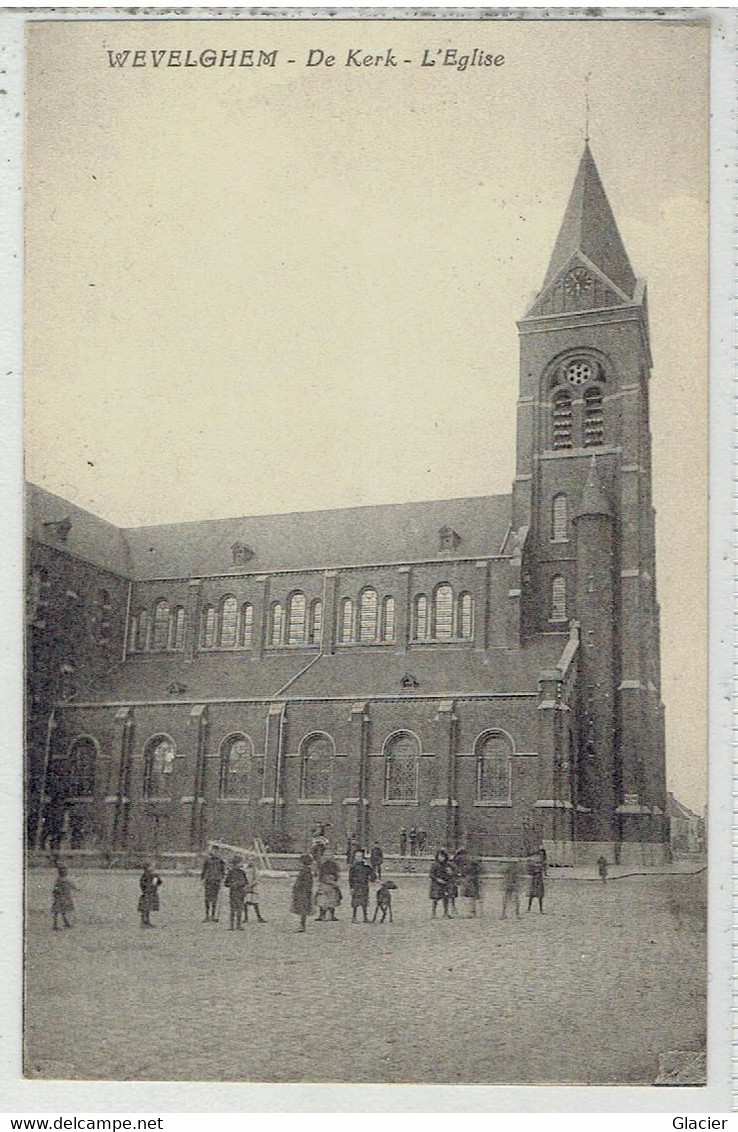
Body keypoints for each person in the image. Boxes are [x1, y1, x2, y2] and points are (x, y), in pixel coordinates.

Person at [348, 848, 376, 923]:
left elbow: (373, 877)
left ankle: (365, 917)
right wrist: (351, 887)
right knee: (355, 902)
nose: (358, 858)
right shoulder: (353, 867)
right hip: (356, 885)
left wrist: (370, 867)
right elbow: (350, 878)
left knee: (364, 902)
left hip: (364, 885)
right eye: (357, 856)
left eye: (360, 856)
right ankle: (354, 917)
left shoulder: (366, 866)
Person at [200, 845, 225, 922]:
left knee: (215, 899)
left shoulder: (220, 861)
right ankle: (207, 915)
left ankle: (213, 915)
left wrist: (222, 878)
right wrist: (202, 878)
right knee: (207, 898)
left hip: (216, 881)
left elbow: (223, 871)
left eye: (216, 851)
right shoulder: (207, 860)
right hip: (208, 880)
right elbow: (204, 870)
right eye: (213, 851)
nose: (214, 852)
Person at [315, 854, 341, 921]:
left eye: (330, 855)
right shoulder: (322, 865)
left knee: (331, 900)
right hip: (325, 884)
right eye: (326, 855)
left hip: (330, 885)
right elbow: (320, 875)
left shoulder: (334, 865)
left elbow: (336, 875)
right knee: (323, 900)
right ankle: (323, 915)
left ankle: (329, 915)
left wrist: (334, 880)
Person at [224, 856, 248, 930]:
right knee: (233, 909)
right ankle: (231, 925)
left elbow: (246, 882)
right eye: (238, 863)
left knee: (240, 909)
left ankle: (238, 925)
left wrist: (242, 885)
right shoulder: (230, 872)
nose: (239, 865)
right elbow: (226, 883)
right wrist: (232, 884)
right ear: (235, 864)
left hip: (241, 892)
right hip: (233, 892)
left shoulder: (242, 872)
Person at [291, 854, 314, 932]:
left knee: (302, 908)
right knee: (302, 908)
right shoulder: (307, 871)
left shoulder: (305, 871)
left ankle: (302, 925)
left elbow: (303, 882)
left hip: (302, 892)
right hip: (304, 891)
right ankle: (302, 924)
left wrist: (296, 887)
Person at [52, 864, 76, 931]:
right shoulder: (60, 880)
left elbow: (71, 885)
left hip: (65, 896)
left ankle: (65, 923)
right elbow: (56, 887)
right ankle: (55, 924)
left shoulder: (63, 879)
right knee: (58, 911)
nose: (66, 871)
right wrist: (56, 892)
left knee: (63, 911)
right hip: (61, 896)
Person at [244, 853, 267, 923]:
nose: (251, 862)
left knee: (255, 903)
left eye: (252, 860)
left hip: (253, 887)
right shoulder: (245, 869)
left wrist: (251, 884)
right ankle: (245, 917)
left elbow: (257, 879)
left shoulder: (255, 870)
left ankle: (259, 917)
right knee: (245, 903)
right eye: (249, 860)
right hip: (245, 886)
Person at [138, 862, 162, 927]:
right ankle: (144, 922)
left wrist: (157, 879)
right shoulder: (145, 875)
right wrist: (146, 889)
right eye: (151, 866)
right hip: (147, 893)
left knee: (148, 908)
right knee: (145, 908)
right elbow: (142, 884)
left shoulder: (154, 875)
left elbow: (160, 882)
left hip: (152, 892)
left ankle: (147, 922)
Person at [459, 851, 482, 917]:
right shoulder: (465, 865)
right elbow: (462, 873)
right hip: (467, 882)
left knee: (473, 897)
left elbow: (480, 871)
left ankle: (472, 911)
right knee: (466, 897)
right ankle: (468, 911)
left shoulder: (477, 866)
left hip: (474, 882)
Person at [429, 850, 451, 918]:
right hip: (436, 884)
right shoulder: (435, 864)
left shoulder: (447, 865)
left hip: (445, 883)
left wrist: (450, 873)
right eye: (440, 856)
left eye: (443, 857)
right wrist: (437, 879)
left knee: (446, 898)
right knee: (435, 898)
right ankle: (433, 913)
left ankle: (446, 912)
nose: (442, 858)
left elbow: (452, 873)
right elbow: (431, 874)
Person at [526, 850, 546, 914]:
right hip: (535, 878)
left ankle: (540, 909)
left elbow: (544, 870)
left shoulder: (543, 862)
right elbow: (530, 870)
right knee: (531, 894)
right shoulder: (534, 861)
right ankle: (529, 908)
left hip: (539, 878)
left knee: (540, 895)